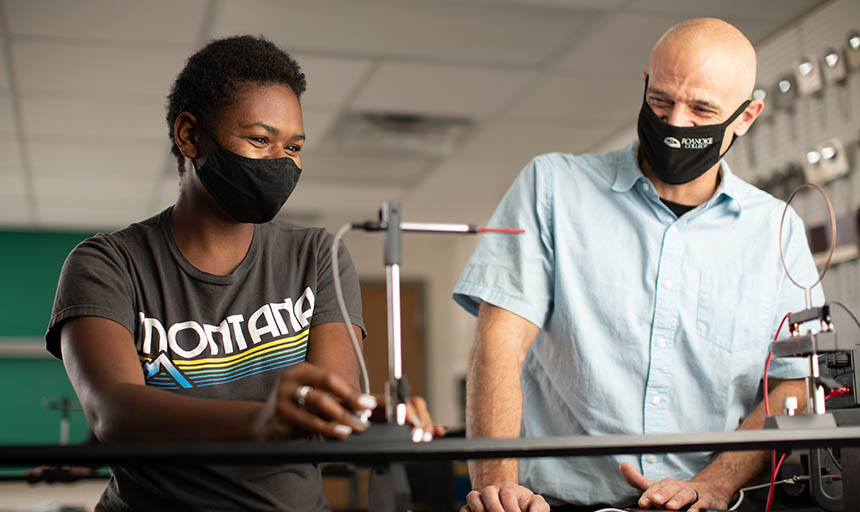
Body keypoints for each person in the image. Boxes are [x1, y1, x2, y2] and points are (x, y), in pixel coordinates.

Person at [46, 35, 438, 511]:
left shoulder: (318, 256)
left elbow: (328, 407)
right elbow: (114, 414)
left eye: (293, 146)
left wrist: (371, 417)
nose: (281, 160)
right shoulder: (107, 264)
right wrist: (263, 418)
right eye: (259, 139)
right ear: (189, 135)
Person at [453, 18, 822, 512]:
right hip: (558, 503)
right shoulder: (551, 188)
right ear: (644, 86)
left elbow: (794, 382)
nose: (675, 123)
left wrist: (715, 484)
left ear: (747, 116)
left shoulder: (777, 230)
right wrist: (499, 489)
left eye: (702, 109)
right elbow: (499, 343)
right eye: (662, 101)